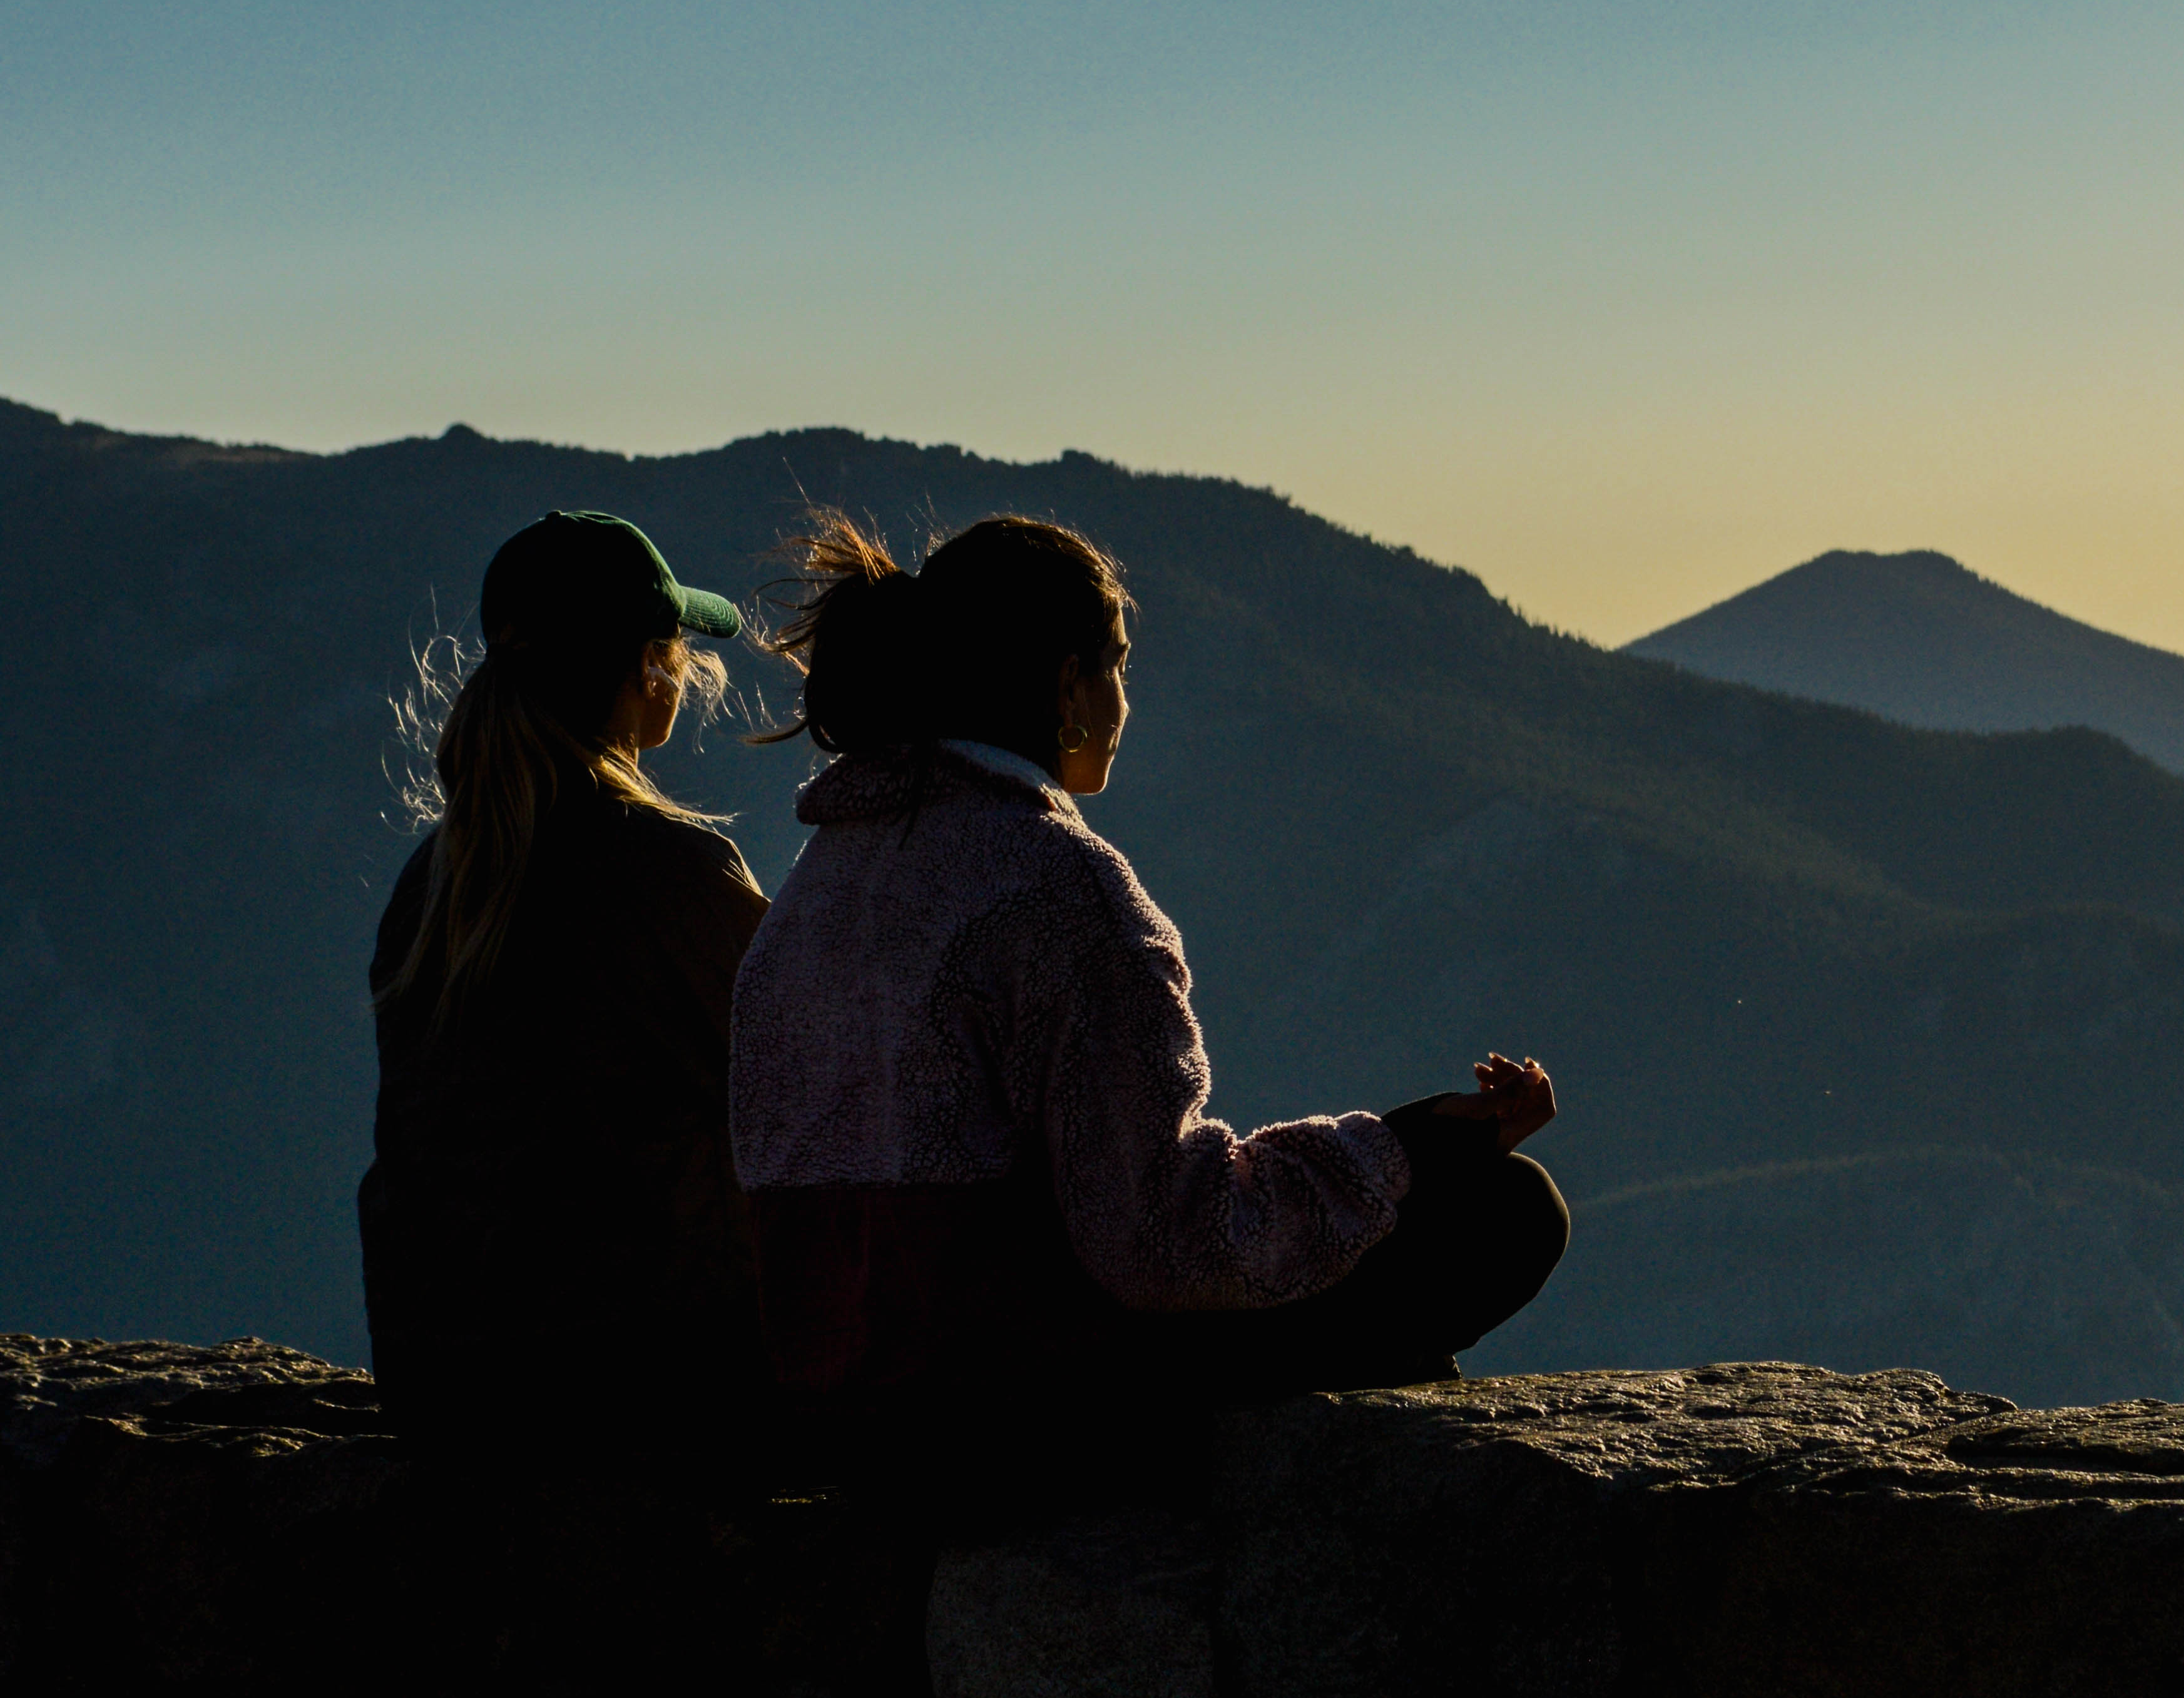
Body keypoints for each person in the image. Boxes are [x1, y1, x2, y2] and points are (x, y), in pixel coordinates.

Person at [730, 509, 1568, 1484]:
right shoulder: (1056, 887)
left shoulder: (817, 887)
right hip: (1013, 1412)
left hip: (844, 1403)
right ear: (1066, 685)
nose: (1125, 704)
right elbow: (1164, 1242)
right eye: (1117, 666)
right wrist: (1410, 1153)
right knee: (1506, 1210)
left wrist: (1411, 1138)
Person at [361, 511, 771, 1465]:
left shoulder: (436, 882)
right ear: (647, 670)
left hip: (445, 1379)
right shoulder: (673, 869)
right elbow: (813, 1072)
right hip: (650, 1383)